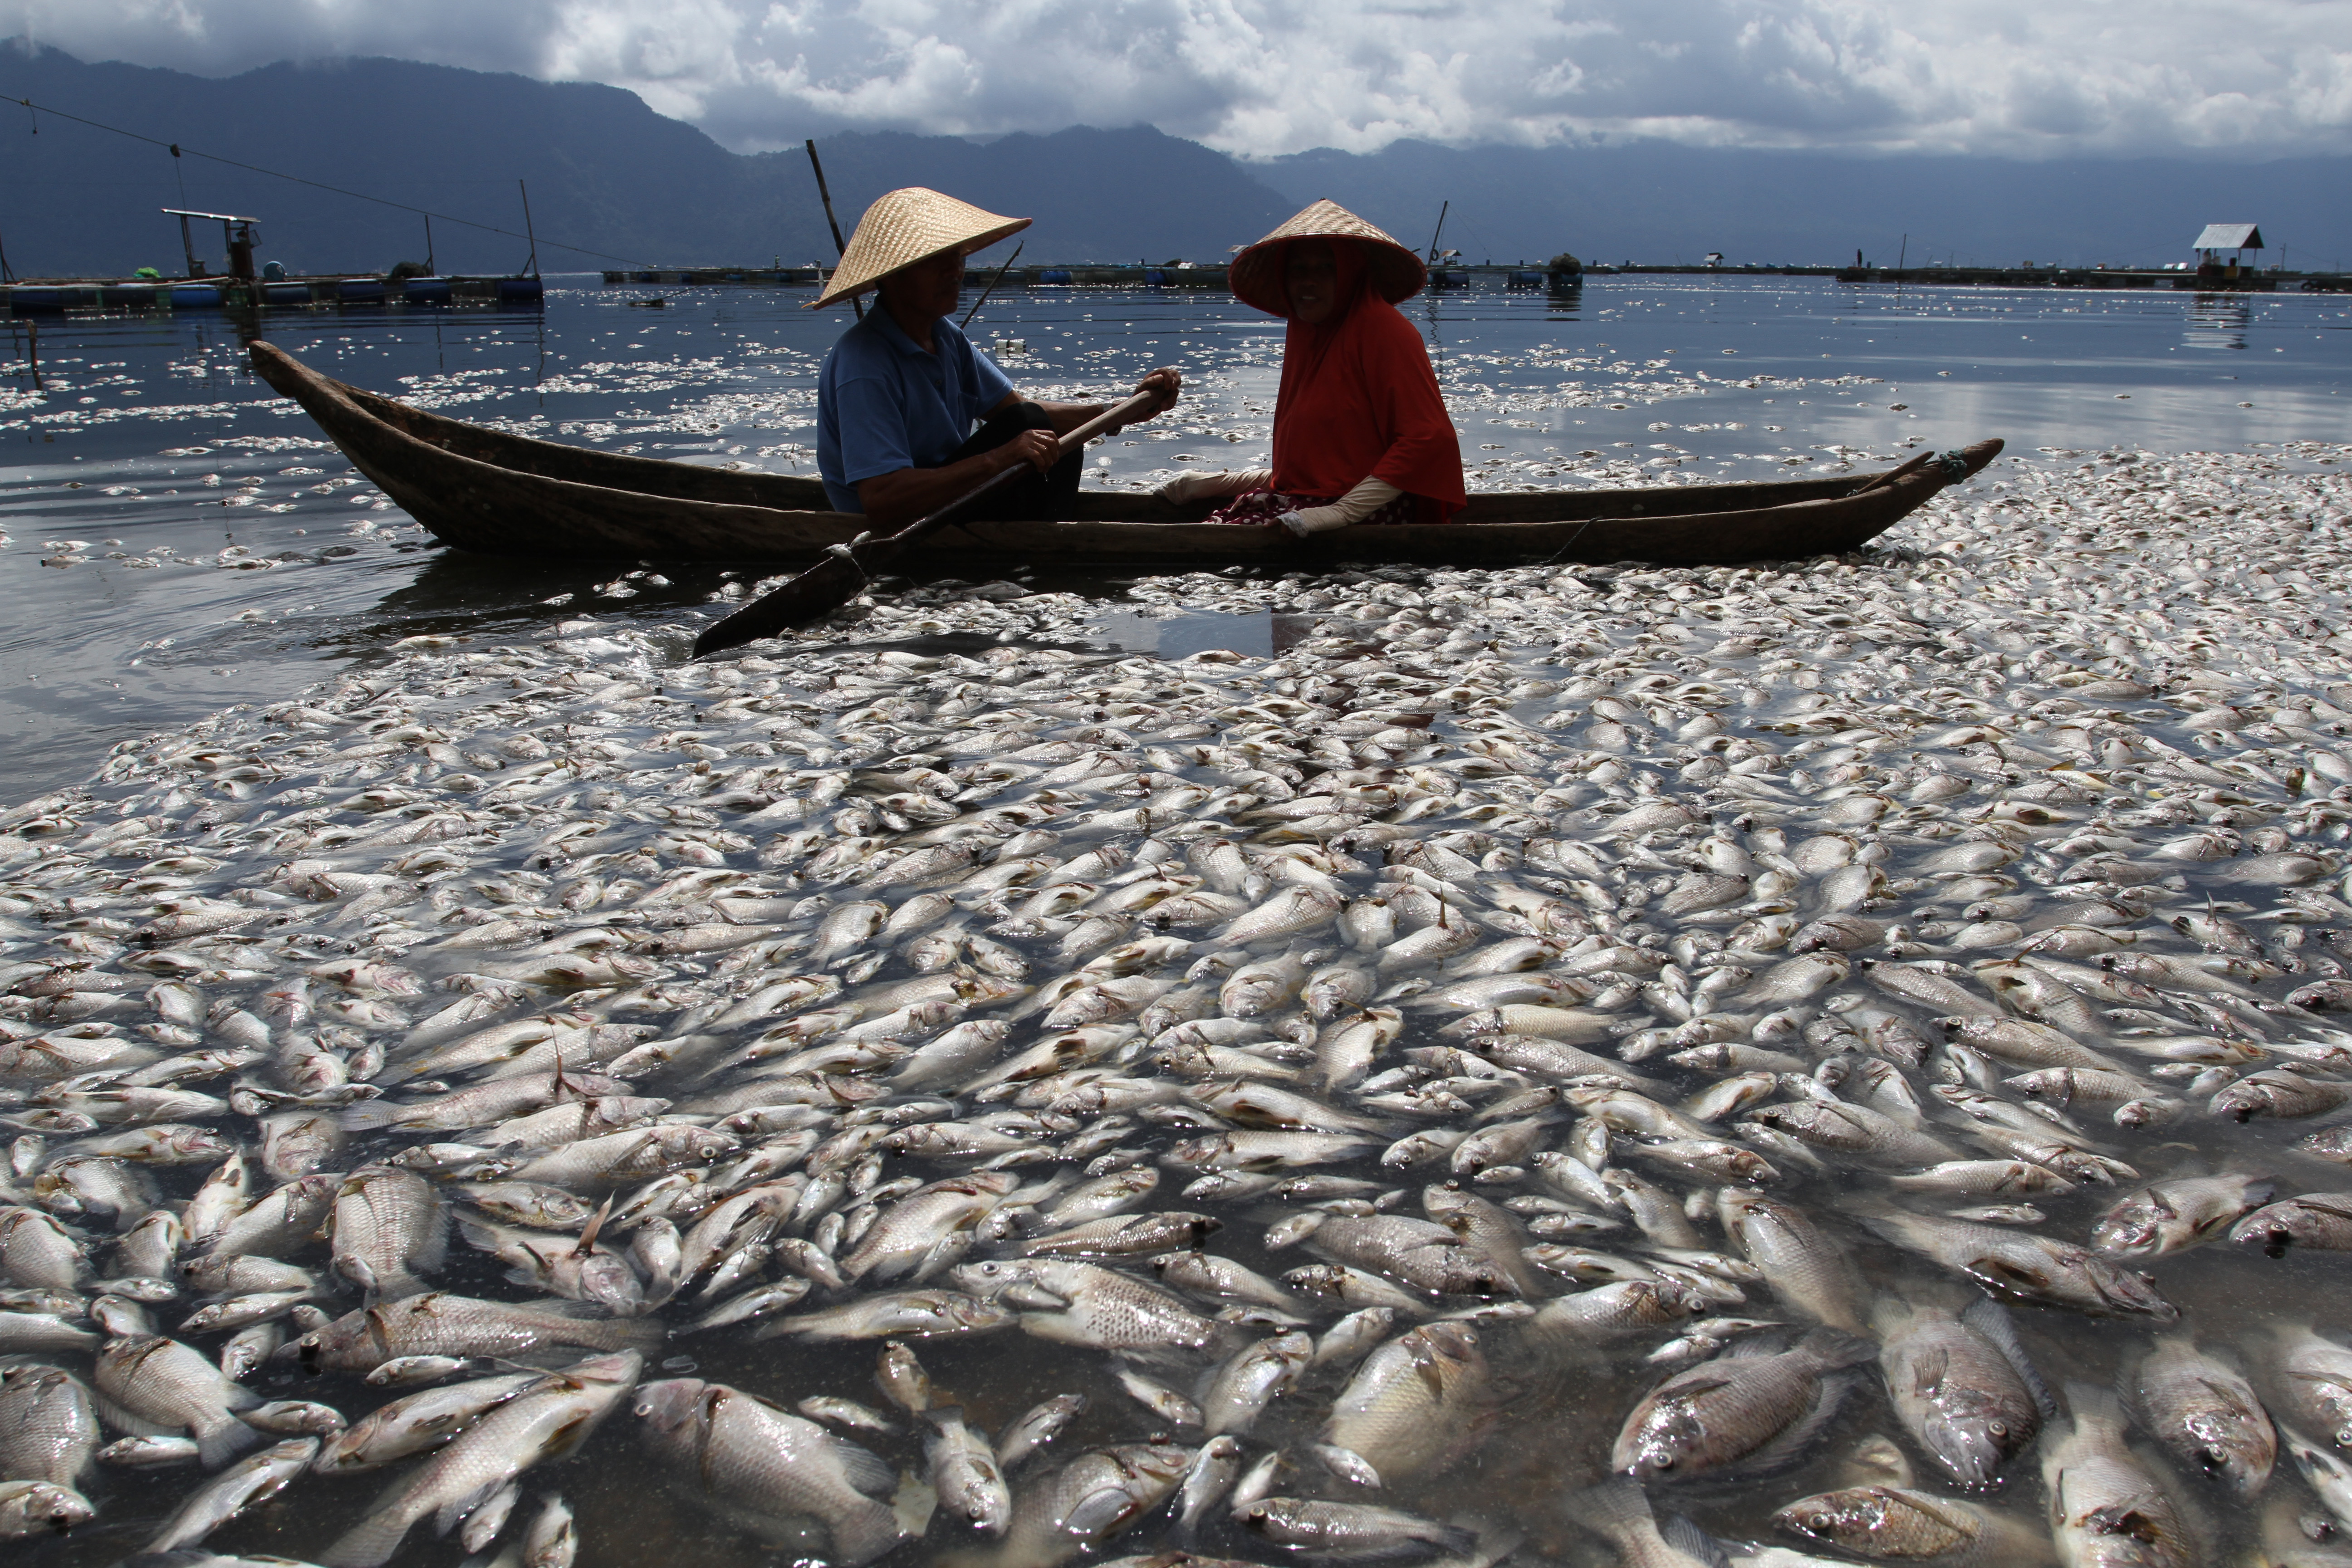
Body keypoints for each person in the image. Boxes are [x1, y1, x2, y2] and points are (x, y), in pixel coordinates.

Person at [814, 187, 1181, 529]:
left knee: (1039, 426)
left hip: (950, 503)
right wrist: (1000, 458)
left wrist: (1121, 410)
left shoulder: (946, 337)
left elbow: (1017, 410)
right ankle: (1035, 548)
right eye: (936, 261)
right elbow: (882, 500)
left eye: (956, 257)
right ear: (892, 278)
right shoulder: (863, 362)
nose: (955, 271)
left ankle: (1041, 539)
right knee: (1028, 427)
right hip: (899, 523)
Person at [1159, 199, 1464, 537]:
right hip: (1314, 497)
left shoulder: (1385, 330)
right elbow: (1321, 466)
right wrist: (1212, 484)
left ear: (1350, 273)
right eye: (1299, 270)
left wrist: (1338, 513)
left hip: (1372, 510)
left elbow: (1428, 440)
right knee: (1214, 530)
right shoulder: (1308, 330)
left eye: (1325, 269)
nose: (1308, 282)